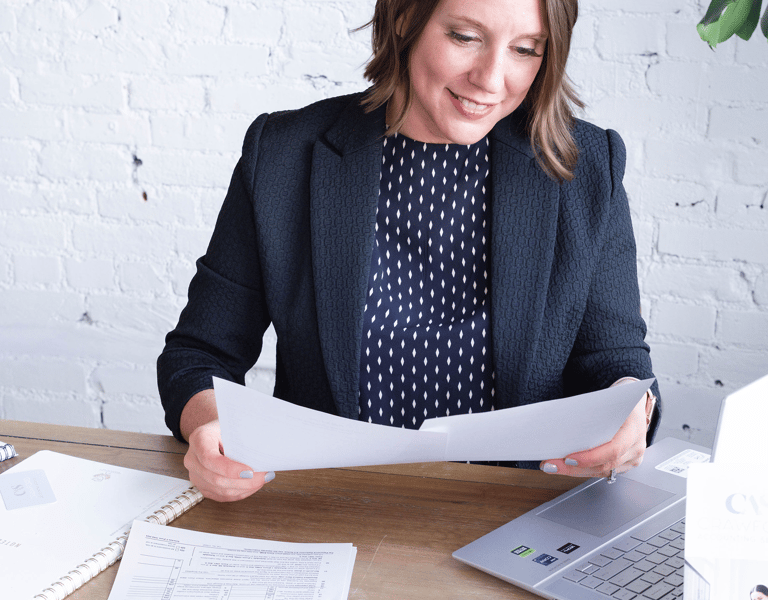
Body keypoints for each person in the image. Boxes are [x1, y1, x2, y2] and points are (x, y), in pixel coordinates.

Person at [158, 0, 661, 502]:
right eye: (465, 37)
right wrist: (211, 427)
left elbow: (617, 362)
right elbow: (199, 355)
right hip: (325, 511)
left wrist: (630, 411)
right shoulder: (285, 154)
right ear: (404, 19)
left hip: (516, 520)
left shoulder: (588, 167)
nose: (491, 78)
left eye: (526, 49)